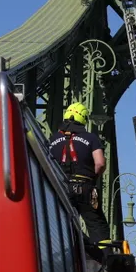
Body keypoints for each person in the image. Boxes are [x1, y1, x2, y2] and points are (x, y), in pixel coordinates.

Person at [47, 103, 111, 247]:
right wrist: (92, 178)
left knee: (62, 224)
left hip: (61, 188)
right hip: (84, 187)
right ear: (83, 119)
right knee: (97, 226)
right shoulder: (91, 138)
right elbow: (100, 163)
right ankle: (103, 260)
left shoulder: (52, 140)